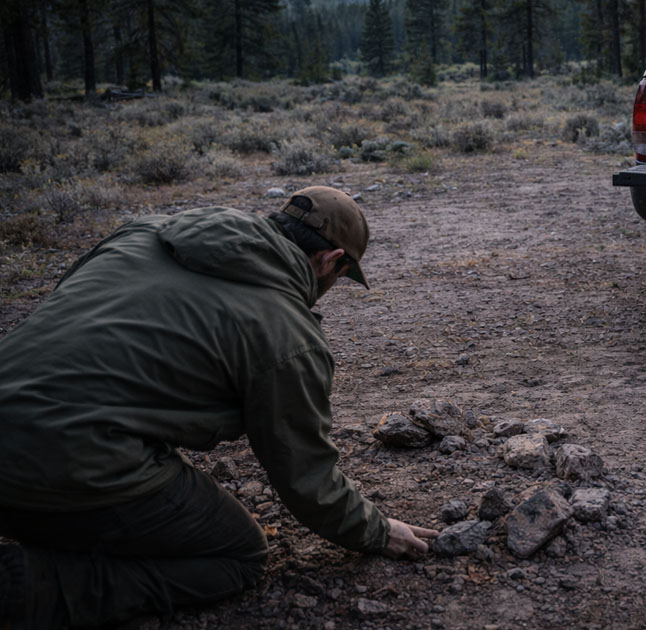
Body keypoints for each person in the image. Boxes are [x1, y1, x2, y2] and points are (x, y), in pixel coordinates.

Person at [0, 186, 438, 628]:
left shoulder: (141, 233)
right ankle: (23, 586)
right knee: (237, 555)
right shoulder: (286, 334)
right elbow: (305, 477)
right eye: (340, 275)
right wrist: (378, 531)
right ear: (330, 259)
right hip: (67, 457)